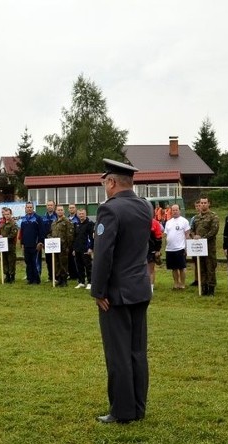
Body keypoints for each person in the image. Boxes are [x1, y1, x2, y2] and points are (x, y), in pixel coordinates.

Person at [91, 159, 152, 424]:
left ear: (112, 182)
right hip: (139, 287)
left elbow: (104, 254)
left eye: (105, 182)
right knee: (137, 351)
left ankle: (122, 411)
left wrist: (98, 290)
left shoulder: (110, 210)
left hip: (116, 292)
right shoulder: (145, 207)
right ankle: (138, 407)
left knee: (118, 354)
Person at [191, 196, 219, 296]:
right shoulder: (196, 218)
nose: (203, 205)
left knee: (210, 268)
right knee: (201, 268)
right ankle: (203, 288)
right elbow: (192, 230)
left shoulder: (213, 216)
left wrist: (202, 238)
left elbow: (214, 231)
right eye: (201, 203)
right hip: (199, 248)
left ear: (208, 204)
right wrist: (194, 236)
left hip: (209, 247)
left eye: (205, 203)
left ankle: (211, 289)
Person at [163, 204, 190, 290]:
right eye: (173, 210)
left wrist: (186, 248)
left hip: (180, 248)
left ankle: (182, 284)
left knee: (181, 267)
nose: (175, 212)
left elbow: (187, 235)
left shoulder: (184, 221)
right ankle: (176, 284)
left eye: (176, 210)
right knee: (173, 268)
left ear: (179, 210)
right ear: (171, 211)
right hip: (170, 249)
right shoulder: (168, 222)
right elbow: (165, 235)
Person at [19, 201, 44, 284]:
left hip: (35, 245)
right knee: (28, 262)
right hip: (26, 245)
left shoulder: (38, 218)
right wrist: (22, 243)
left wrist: (40, 242)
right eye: (27, 207)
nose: (29, 209)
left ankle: (36, 279)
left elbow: (41, 231)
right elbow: (22, 232)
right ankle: (30, 278)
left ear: (33, 208)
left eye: (30, 207)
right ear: (25, 209)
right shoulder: (23, 219)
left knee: (35, 262)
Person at [49, 205, 74, 287]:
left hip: (63, 247)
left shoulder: (67, 221)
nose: (60, 211)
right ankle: (59, 279)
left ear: (64, 211)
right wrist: (49, 238)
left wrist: (68, 247)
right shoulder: (54, 222)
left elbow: (70, 235)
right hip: (55, 246)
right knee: (56, 263)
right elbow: (51, 233)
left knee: (63, 264)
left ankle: (64, 280)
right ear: (56, 211)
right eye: (58, 210)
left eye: (61, 210)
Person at [72, 209, 94, 289]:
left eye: (83, 214)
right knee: (79, 266)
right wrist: (74, 249)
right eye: (80, 214)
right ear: (77, 215)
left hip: (86, 249)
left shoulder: (90, 224)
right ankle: (81, 282)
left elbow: (92, 237)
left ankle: (90, 282)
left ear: (86, 214)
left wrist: (91, 248)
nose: (81, 215)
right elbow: (75, 237)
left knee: (88, 266)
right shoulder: (76, 224)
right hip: (78, 249)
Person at [0, 207, 19, 284]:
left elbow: (13, 234)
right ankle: (6, 275)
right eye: (5, 214)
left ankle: (12, 276)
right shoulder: (2, 223)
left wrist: (4, 238)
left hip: (10, 245)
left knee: (11, 261)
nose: (6, 216)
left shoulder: (13, 223)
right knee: (4, 261)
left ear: (11, 214)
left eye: (8, 214)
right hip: (2, 245)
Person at [147, 213, 163, 292]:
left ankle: (151, 289)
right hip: (140, 250)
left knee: (151, 269)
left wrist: (157, 250)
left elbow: (159, 237)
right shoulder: (138, 222)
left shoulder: (155, 223)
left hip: (151, 250)